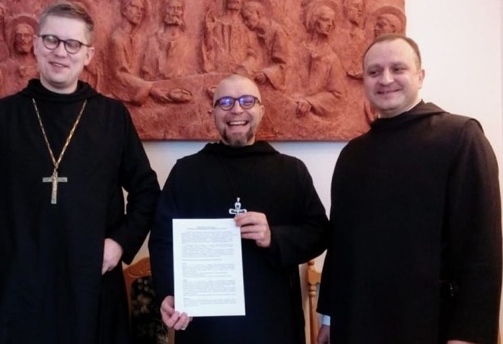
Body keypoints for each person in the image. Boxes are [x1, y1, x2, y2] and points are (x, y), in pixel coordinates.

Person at [0, 0, 160, 343]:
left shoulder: (111, 117)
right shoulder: (3, 116)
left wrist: (119, 243)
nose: (60, 52)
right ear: (35, 44)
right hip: (19, 286)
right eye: (51, 40)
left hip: (90, 282)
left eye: (73, 44)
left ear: (88, 54)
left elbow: (146, 190)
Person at [317, 34, 502, 344]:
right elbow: (341, 246)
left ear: (420, 76)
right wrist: (330, 316)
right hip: (357, 320)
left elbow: (481, 245)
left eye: (398, 68)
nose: (385, 79)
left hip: (428, 322)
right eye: (374, 71)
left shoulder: (460, 137)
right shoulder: (353, 154)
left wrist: (468, 335)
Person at [149, 74, 329, 343]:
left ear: (261, 110)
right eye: (225, 102)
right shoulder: (186, 172)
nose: (236, 110)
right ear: (212, 112)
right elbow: (163, 241)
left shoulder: (291, 171)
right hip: (206, 327)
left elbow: (319, 233)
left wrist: (274, 237)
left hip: (273, 321)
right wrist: (168, 292)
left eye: (247, 101)